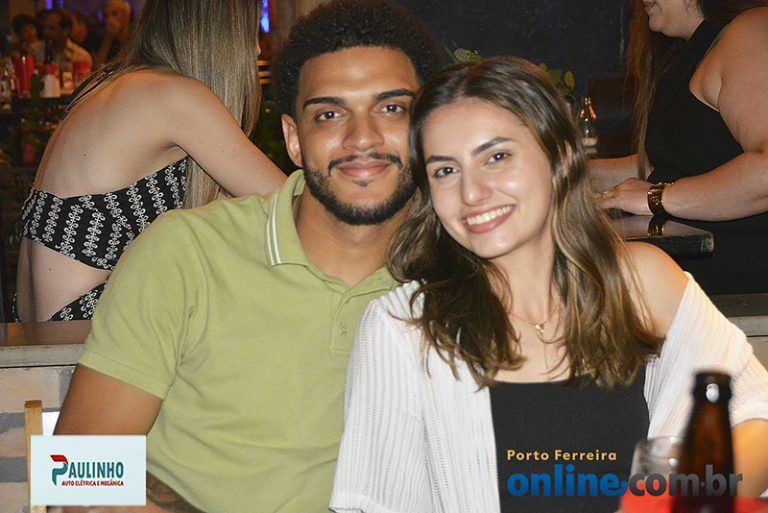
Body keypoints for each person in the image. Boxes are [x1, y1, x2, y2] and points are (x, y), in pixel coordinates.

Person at [330, 57, 768, 513]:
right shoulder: (403, 330)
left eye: (496, 157)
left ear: (558, 157)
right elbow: (377, 502)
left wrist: (667, 505)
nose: (472, 192)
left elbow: (756, 419)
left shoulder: (639, 283)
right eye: (445, 170)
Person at [54, 0, 440, 511]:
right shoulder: (187, 253)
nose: (361, 137)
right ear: (294, 140)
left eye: (391, 109)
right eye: (329, 114)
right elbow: (75, 470)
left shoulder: (452, 278)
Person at [15, 0, 287, 322]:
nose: (256, 49)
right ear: (216, 34)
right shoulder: (174, 96)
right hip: (86, 328)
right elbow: (293, 208)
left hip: (43, 330)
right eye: (249, 32)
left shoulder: (109, 83)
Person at [591, 0, 768, 295]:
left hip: (743, 297)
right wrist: (567, 172)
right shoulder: (700, 49)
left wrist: (657, 198)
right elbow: (666, 166)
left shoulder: (750, 30)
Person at [94, 0, 132, 68]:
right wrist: (107, 41)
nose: (109, 19)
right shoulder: (103, 38)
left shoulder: (136, 36)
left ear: (126, 16)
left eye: (114, 14)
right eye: (106, 16)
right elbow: (96, 69)